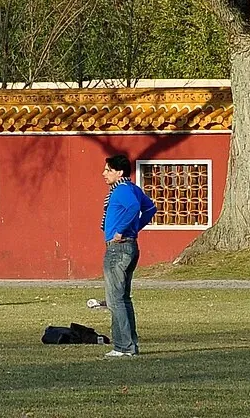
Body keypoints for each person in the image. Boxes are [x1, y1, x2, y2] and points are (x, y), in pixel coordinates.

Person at [100, 153, 156, 360]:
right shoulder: (132, 188)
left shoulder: (121, 190)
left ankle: (123, 346)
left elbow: (134, 207)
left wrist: (122, 230)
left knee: (114, 299)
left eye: (108, 170)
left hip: (118, 248)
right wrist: (135, 228)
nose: (104, 173)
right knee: (123, 298)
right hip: (130, 246)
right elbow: (150, 208)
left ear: (119, 172)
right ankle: (130, 343)